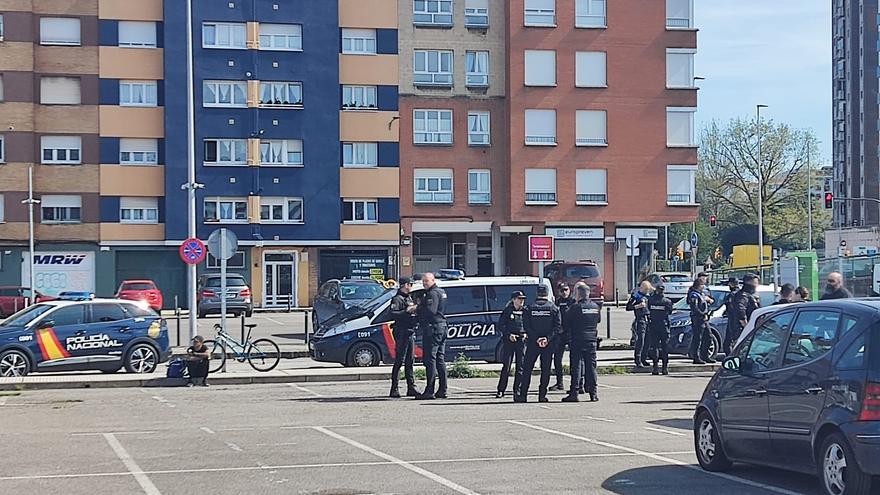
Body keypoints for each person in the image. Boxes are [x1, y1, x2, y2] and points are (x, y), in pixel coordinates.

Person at [515, 285, 562, 403]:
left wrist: (536, 338)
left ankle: (523, 395)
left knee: (527, 369)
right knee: (545, 369)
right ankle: (542, 395)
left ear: (537, 294)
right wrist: (546, 338)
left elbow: (526, 326)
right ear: (547, 294)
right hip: (548, 344)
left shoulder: (529, 308)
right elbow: (557, 327)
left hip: (532, 343)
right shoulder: (554, 308)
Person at [562, 284, 601, 402]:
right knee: (591, 367)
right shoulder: (595, 306)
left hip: (577, 340)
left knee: (576, 367)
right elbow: (598, 320)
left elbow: (566, 322)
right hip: (592, 340)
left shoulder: (575, 307)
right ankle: (593, 393)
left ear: (578, 294)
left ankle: (574, 393)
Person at [415, 273, 448, 400]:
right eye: (423, 281)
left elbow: (431, 311)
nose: (424, 283)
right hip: (442, 326)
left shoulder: (432, 293)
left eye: (426, 281)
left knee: (430, 359)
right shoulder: (441, 292)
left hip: (433, 328)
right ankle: (442, 390)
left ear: (433, 280)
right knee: (440, 359)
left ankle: (430, 391)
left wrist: (417, 308)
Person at [389, 277, 420, 398]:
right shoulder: (397, 299)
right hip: (401, 332)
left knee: (410, 361)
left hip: (410, 331)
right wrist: (407, 311)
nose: (411, 286)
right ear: (404, 285)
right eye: (410, 284)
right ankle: (394, 388)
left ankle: (411, 387)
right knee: (399, 360)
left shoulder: (409, 297)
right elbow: (393, 314)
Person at [496, 291, 528, 399]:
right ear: (514, 299)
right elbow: (501, 325)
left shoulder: (526, 311)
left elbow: (530, 325)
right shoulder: (507, 311)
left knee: (520, 367)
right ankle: (501, 390)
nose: (521, 301)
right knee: (507, 366)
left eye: (522, 299)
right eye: (519, 299)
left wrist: (526, 334)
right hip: (509, 341)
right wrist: (509, 334)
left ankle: (517, 390)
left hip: (521, 341)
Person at [727, 273, 761, 355]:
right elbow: (740, 309)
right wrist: (745, 324)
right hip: (741, 329)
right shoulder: (743, 296)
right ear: (749, 283)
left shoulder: (749, 295)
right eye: (755, 283)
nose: (756, 285)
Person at [552, 283, 575, 391]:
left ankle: (576, 383)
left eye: (566, 290)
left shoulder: (573, 302)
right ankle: (559, 382)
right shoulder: (557, 302)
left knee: (574, 359)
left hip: (571, 333)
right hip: (560, 334)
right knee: (557, 359)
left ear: (569, 290)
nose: (564, 292)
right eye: (562, 290)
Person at [646, 284, 673, 375]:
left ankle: (655, 367)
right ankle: (665, 368)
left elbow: (648, 310)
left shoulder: (651, 300)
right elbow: (669, 312)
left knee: (655, 347)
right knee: (665, 348)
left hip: (653, 326)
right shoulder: (667, 301)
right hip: (664, 326)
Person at [626, 281, 653, 368]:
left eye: (647, 289)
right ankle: (638, 359)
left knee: (647, 340)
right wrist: (638, 306)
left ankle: (644, 358)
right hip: (640, 319)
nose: (646, 291)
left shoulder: (648, 296)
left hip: (648, 319)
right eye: (645, 289)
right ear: (641, 288)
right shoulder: (636, 296)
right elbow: (628, 307)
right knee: (640, 340)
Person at [688, 278, 714, 364]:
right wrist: (703, 314)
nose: (704, 287)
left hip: (704, 319)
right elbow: (694, 308)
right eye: (703, 285)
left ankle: (705, 356)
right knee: (697, 338)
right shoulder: (694, 295)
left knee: (708, 336)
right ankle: (696, 357)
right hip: (698, 319)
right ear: (699, 285)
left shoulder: (700, 294)